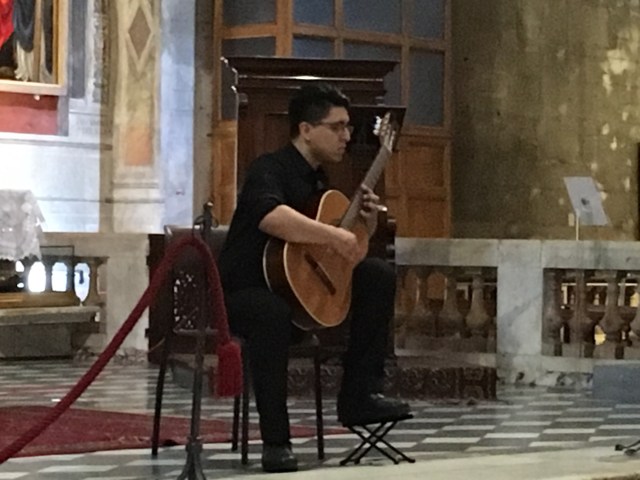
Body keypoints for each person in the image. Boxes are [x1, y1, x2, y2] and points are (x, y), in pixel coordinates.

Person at [218, 83, 410, 473]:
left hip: (296, 295)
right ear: (306, 130)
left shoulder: (320, 182)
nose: (347, 136)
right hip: (245, 293)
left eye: (348, 127)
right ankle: (276, 442)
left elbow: (341, 254)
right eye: (337, 127)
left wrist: (365, 226)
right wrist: (335, 235)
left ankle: (359, 395)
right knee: (269, 313)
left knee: (376, 275)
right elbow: (271, 217)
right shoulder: (268, 169)